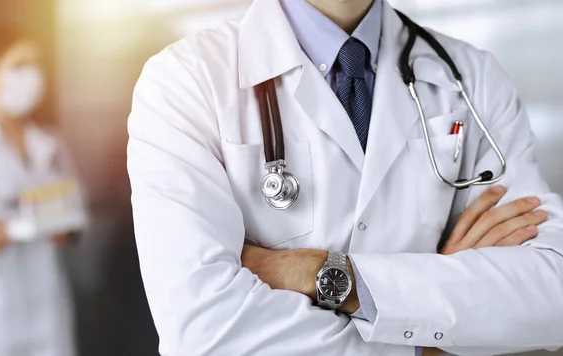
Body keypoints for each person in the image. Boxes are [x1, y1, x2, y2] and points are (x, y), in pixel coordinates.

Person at [127, 0, 563, 355]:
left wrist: (329, 274)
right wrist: (428, 344)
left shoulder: (473, 77)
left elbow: (552, 294)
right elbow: (205, 330)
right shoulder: (186, 81)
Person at [0, 26, 84, 356]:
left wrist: (67, 227)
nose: (30, 75)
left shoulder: (50, 143)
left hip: (47, 313)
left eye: (35, 64)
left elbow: (76, 210)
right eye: (18, 66)